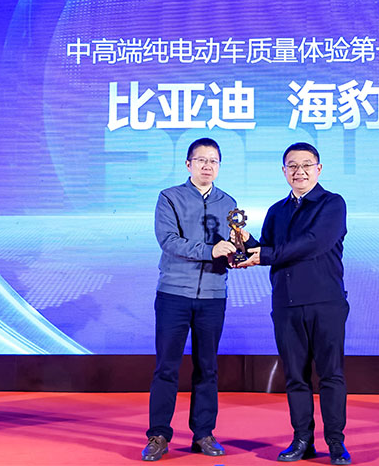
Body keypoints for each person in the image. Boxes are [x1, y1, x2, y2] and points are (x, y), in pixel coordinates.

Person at [239, 142, 351, 465]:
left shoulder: (332, 204)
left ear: (319, 169)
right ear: (284, 171)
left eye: (306, 165)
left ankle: (336, 442)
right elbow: (267, 249)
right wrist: (243, 242)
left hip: (326, 303)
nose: (299, 172)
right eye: (292, 166)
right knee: (295, 378)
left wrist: (264, 254)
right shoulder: (277, 211)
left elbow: (313, 244)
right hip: (286, 305)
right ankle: (302, 439)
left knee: (331, 375)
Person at [141, 138, 239, 462]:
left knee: (208, 368)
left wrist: (241, 253)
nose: (207, 166)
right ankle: (158, 435)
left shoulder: (229, 202)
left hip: (213, 295)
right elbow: (169, 241)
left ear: (219, 166)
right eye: (201, 160)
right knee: (166, 368)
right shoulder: (169, 197)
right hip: (174, 294)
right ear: (188, 164)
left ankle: (203, 434)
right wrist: (211, 250)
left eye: (213, 161)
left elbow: (233, 244)